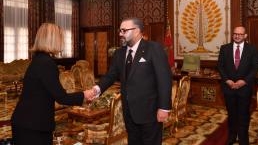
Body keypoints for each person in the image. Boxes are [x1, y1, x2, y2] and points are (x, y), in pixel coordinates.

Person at [87, 17, 172, 145]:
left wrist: (164, 108)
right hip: (129, 113)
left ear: (137, 31)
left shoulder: (154, 49)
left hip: (150, 112)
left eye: (124, 30)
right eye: (120, 30)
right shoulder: (119, 53)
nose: (120, 34)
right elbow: (110, 76)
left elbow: (164, 79)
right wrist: (97, 89)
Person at [11, 23, 92, 145]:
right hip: (33, 126)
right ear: (53, 40)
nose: (62, 42)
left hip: (27, 122)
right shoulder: (46, 63)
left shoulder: (39, 59)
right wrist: (85, 94)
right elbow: (62, 98)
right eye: (60, 38)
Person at [217, 26, 258, 145]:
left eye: (240, 34)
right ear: (232, 35)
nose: (237, 36)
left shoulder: (252, 49)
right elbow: (220, 66)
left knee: (244, 115)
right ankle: (231, 137)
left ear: (245, 36)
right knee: (231, 115)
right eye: (235, 34)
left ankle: (243, 139)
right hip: (228, 88)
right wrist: (227, 80)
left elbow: (254, 68)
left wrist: (244, 81)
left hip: (244, 89)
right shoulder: (224, 48)